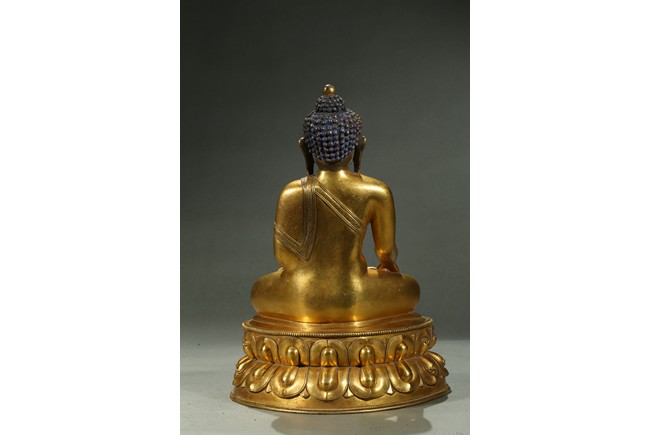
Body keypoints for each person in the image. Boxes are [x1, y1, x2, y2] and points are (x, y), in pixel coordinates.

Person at [251, 85, 420, 323]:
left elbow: (282, 257)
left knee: (258, 290)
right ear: (359, 146)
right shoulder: (376, 191)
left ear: (305, 148)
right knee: (411, 289)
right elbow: (386, 253)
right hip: (354, 293)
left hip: (299, 295)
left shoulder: (290, 192)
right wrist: (385, 270)